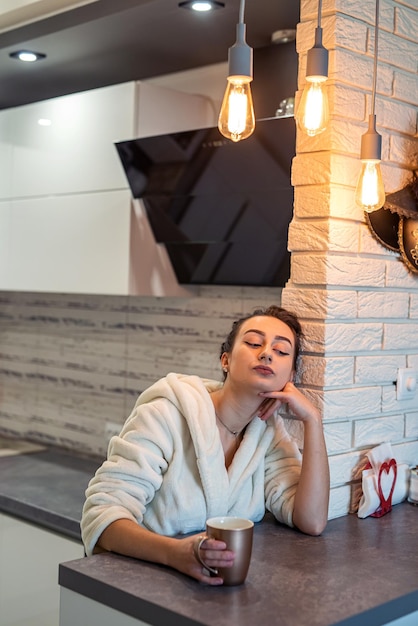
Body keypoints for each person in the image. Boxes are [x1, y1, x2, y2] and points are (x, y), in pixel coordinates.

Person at [81, 305, 330, 585]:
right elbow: (101, 515)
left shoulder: (268, 435)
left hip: (214, 592)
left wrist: (313, 420)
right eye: (253, 343)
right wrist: (175, 553)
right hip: (139, 581)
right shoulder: (166, 414)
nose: (267, 353)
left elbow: (311, 521)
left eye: (282, 351)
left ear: (290, 378)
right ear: (225, 360)